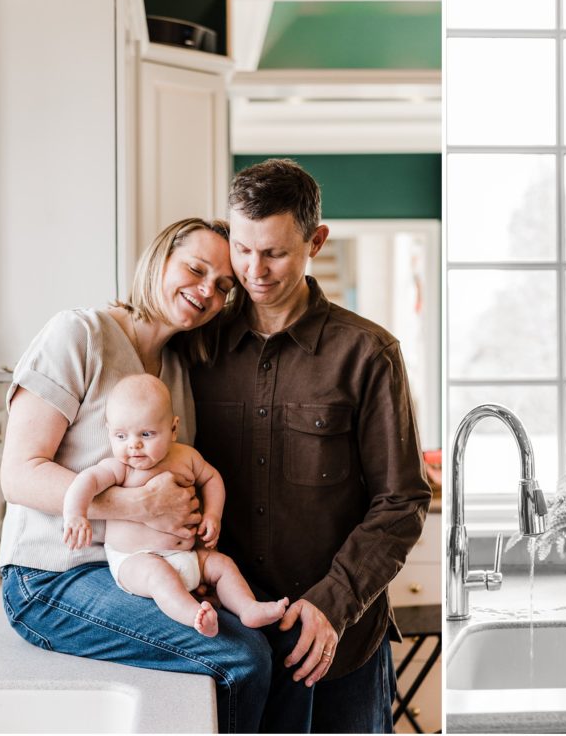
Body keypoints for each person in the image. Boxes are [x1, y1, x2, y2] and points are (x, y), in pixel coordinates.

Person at [0, 218, 305, 733]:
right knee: (242, 658)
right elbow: (18, 476)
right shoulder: (80, 335)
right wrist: (137, 507)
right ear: (160, 257)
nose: (207, 289)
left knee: (280, 637)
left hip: (139, 569)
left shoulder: (178, 373)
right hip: (50, 576)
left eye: (223, 285)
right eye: (195, 268)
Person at [191, 158, 433, 733]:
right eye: (243, 249)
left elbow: (401, 501)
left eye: (274, 252)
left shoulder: (369, 354)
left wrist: (333, 601)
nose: (254, 269)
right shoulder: (196, 349)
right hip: (227, 640)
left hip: (339, 644)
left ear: (316, 241)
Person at [63, 373, 289, 637]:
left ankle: (247, 608)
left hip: (189, 557)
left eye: (146, 434)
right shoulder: (119, 468)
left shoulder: (187, 457)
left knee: (222, 565)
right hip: (136, 561)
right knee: (158, 575)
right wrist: (75, 514)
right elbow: (85, 481)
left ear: (173, 429)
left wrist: (213, 515)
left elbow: (212, 479)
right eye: (121, 436)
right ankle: (193, 614)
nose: (133, 445)